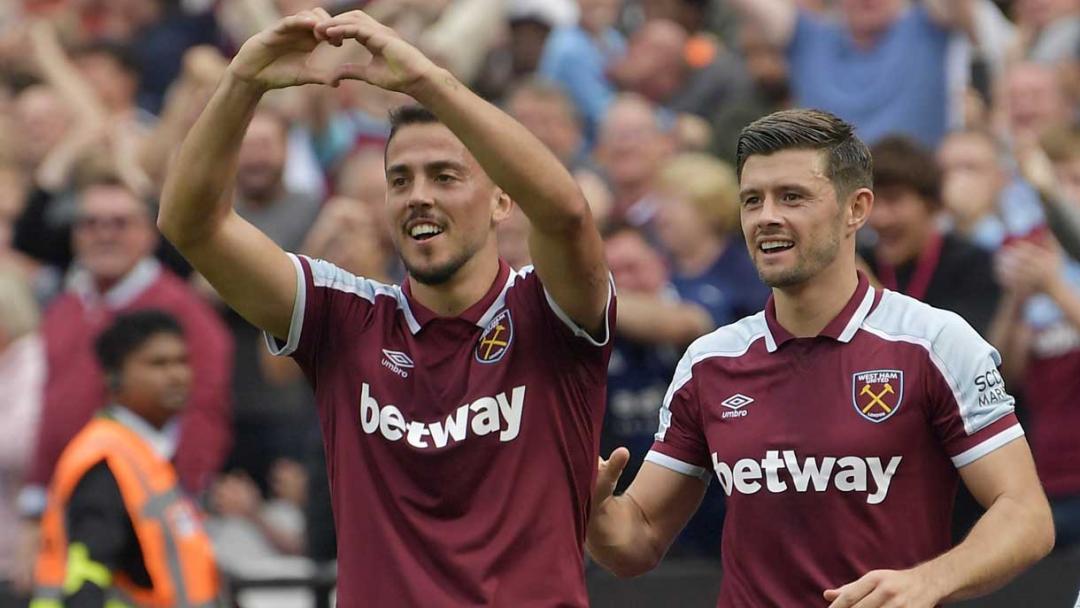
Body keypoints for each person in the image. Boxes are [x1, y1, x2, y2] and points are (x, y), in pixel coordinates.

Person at [158, 9, 613, 607]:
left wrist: (426, 79)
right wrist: (242, 81)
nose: (419, 196)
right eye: (400, 180)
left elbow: (567, 215)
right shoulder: (343, 317)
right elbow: (190, 224)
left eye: (445, 176)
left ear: (504, 200)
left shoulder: (550, 310)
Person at [587, 109, 1054, 607]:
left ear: (857, 209)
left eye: (792, 197)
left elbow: (1026, 515)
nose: (767, 215)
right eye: (752, 200)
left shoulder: (934, 342)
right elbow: (634, 544)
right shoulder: (708, 362)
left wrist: (930, 580)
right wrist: (592, 511)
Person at [19, 174, 233, 526]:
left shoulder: (185, 312)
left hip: (148, 509)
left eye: (120, 223)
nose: (104, 234)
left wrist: (182, 497)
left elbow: (205, 409)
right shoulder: (65, 308)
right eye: (90, 224)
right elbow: (50, 410)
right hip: (69, 505)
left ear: (149, 234)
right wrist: (35, 501)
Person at [31, 310, 219, 607]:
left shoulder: (145, 455)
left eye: (182, 361)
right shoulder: (105, 460)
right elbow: (86, 579)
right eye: (158, 364)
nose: (177, 374)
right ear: (113, 376)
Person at [861, 135, 1001, 336]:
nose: (880, 218)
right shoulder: (858, 262)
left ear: (931, 205)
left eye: (893, 200)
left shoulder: (973, 265)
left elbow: (958, 349)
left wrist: (870, 295)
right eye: (873, 201)